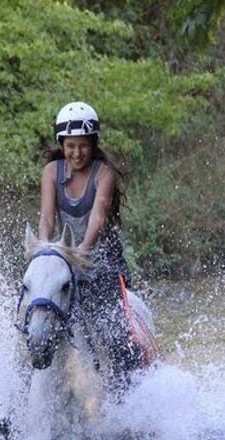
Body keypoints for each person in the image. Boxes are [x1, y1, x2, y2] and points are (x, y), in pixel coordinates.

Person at [38, 101, 143, 393]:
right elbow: (47, 217)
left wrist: (81, 253)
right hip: (66, 258)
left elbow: (98, 218)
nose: (77, 153)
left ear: (93, 144)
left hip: (103, 264)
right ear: (62, 144)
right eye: (70, 146)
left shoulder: (103, 173)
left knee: (113, 334)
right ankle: (17, 400)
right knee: (34, 315)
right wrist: (45, 251)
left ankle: (129, 392)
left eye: (83, 145)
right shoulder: (51, 172)